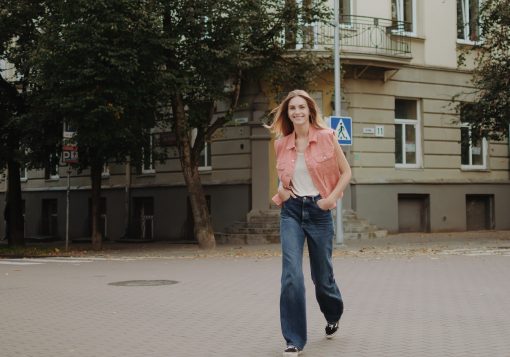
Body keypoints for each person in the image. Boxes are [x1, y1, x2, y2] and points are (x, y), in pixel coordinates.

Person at [266, 89, 352, 356]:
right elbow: (284, 177)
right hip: (291, 211)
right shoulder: (281, 143)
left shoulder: (327, 137)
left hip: (319, 211)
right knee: (291, 275)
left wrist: (330, 200)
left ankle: (333, 313)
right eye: (292, 108)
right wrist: (281, 192)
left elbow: (346, 172)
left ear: (310, 110)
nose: (297, 112)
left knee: (322, 277)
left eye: (302, 107)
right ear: (287, 113)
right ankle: (293, 340)